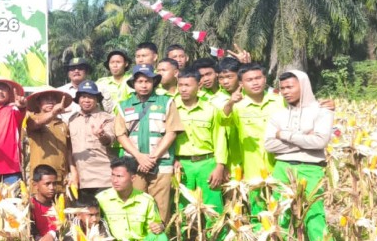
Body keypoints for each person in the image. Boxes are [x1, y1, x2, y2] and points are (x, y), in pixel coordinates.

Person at [264, 71, 338, 241]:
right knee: (278, 215)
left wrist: (284, 135)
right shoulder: (277, 115)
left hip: (311, 169)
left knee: (315, 217)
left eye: (290, 87)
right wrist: (303, 137)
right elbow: (270, 145)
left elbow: (320, 141)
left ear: (303, 86)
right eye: (283, 89)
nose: (286, 92)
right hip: (282, 167)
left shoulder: (322, 110)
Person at [114, 65, 184, 223]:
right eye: (140, 81)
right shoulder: (124, 105)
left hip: (161, 163)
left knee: (160, 209)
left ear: (154, 82)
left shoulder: (166, 102)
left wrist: (152, 158)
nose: (144, 85)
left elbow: (171, 132)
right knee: (135, 207)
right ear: (133, 83)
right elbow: (120, 135)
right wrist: (139, 157)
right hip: (134, 165)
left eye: (148, 81)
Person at [95, 157, 169, 241]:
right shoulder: (101, 199)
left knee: (161, 239)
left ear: (133, 178)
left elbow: (155, 226)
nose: (114, 180)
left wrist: (159, 226)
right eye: (113, 175)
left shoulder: (146, 200)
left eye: (119, 176)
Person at [222, 63, 285, 215]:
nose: (255, 82)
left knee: (283, 207)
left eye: (258, 78)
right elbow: (224, 120)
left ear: (265, 79)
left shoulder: (280, 102)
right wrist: (230, 102)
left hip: (280, 163)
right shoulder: (237, 106)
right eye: (249, 80)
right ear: (241, 84)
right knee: (258, 210)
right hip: (253, 167)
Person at [174, 69, 228, 229]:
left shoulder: (211, 109)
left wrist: (220, 166)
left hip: (207, 162)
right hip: (182, 165)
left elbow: (220, 139)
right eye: (181, 85)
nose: (183, 89)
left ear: (199, 86)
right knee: (182, 207)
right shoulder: (172, 108)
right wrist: (173, 160)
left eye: (188, 85)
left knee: (213, 206)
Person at [67, 81, 116, 201]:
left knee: (104, 216)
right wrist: (73, 173)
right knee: (84, 216)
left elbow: (109, 140)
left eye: (91, 97)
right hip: (81, 179)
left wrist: (101, 135)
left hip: (104, 178)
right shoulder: (72, 120)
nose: (87, 100)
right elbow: (69, 149)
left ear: (97, 99)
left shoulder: (107, 118)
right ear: (78, 99)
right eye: (83, 97)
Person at [26, 87, 73, 181]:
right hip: (40, 179)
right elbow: (37, 123)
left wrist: (73, 174)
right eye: (46, 99)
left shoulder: (63, 124)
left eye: (53, 99)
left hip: (61, 178)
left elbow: (68, 152)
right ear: (38, 103)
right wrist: (53, 113)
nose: (50, 101)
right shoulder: (31, 118)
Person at [28, 165, 65, 241]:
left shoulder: (59, 202)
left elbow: (64, 226)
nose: (52, 187)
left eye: (54, 183)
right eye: (47, 184)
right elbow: (30, 234)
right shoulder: (30, 205)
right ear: (35, 185)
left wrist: (51, 235)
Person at [96, 49, 133, 113]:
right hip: (107, 120)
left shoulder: (133, 79)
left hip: (129, 118)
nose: (115, 65)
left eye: (118, 62)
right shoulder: (101, 83)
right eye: (112, 62)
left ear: (126, 64)